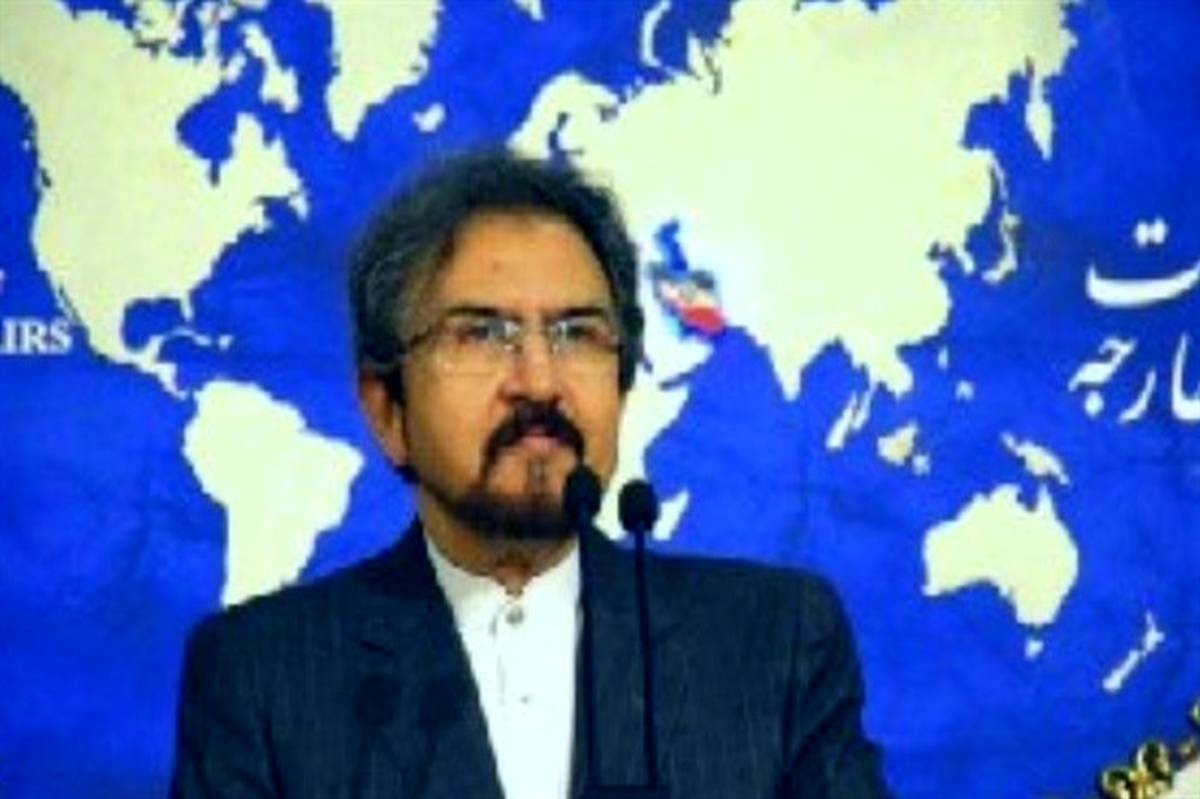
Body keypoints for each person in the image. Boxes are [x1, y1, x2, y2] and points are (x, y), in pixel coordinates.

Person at [170, 149, 891, 798]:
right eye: (483, 334)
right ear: (387, 408)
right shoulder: (264, 677)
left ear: (621, 386)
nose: (539, 380)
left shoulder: (773, 645)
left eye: (577, 333)